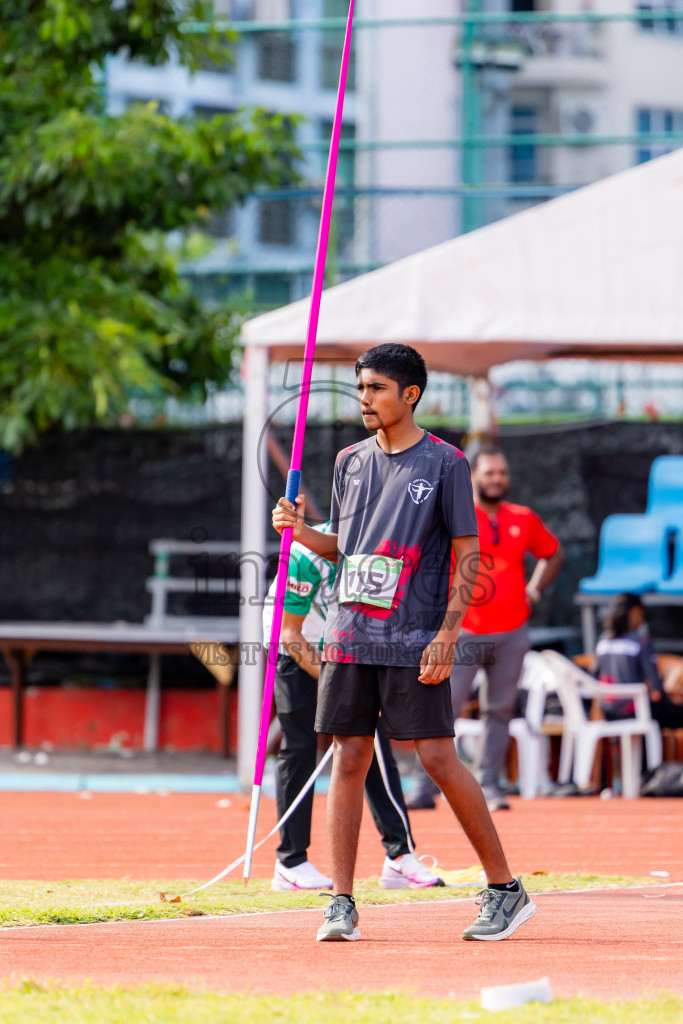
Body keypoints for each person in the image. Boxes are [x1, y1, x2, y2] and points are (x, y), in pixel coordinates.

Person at [272, 343, 536, 943]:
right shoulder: (348, 462)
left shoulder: (447, 464)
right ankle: (341, 902)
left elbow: (469, 552)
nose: (363, 398)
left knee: (438, 758)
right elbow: (348, 548)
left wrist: (449, 632)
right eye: (360, 387)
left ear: (409, 394)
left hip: (415, 635)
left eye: (375, 388)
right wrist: (300, 532)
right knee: (348, 758)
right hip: (347, 632)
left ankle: (504, 889)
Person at [262, 524, 444, 892]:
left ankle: (399, 856)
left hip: (347, 641)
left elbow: (379, 620)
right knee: (299, 746)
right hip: (294, 641)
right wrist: (334, 682)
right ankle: (291, 863)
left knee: (371, 740)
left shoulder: (383, 551)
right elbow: (292, 635)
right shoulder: (303, 555)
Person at [406, 445, 564, 812]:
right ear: (473, 476)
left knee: (500, 711)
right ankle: (424, 789)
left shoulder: (522, 517)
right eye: (490, 473)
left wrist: (535, 590)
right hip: (463, 630)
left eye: (502, 473)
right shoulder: (454, 515)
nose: (497, 479)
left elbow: (553, 553)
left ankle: (490, 785)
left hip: (512, 631)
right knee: (443, 708)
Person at [595, 592, 683, 730]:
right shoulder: (640, 641)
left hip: (608, 712)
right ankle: (654, 752)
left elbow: (595, 676)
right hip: (636, 711)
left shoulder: (603, 642)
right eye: (642, 613)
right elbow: (656, 688)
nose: (642, 619)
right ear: (635, 612)